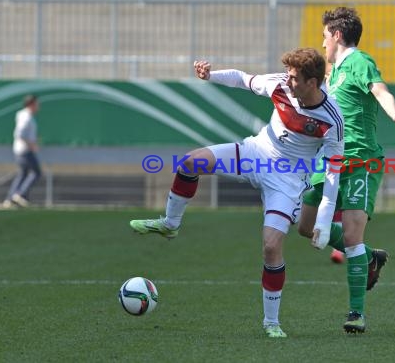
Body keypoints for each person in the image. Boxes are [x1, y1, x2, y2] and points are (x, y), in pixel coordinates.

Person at [130, 47, 344, 338]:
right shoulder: (280, 84)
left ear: (313, 81)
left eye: (295, 78)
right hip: (256, 152)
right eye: (289, 75)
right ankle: (170, 223)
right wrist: (210, 75)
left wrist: (322, 220)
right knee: (190, 162)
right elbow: (243, 79)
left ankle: (271, 322)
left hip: (288, 179)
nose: (288, 81)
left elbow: (333, 170)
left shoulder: (332, 117)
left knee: (271, 247)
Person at [298, 7, 395, 334]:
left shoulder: (360, 62)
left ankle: (356, 314)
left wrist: (394, 113)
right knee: (306, 227)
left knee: (351, 236)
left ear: (336, 35)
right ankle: (368, 258)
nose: (322, 44)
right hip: (328, 163)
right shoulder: (331, 73)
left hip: (360, 161)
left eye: (324, 37)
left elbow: (380, 90)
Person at [3, 94, 42, 208]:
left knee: (23, 174)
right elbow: (19, 133)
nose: (38, 106)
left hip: (21, 150)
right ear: (31, 104)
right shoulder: (26, 116)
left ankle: (10, 199)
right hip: (25, 150)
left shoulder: (25, 115)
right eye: (37, 104)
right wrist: (31, 145)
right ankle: (20, 194)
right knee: (36, 172)